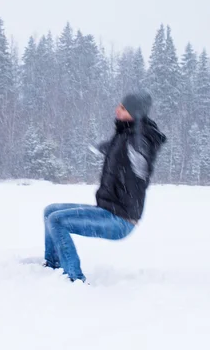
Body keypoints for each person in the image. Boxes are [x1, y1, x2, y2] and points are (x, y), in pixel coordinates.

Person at [43, 92, 166, 282]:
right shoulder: (124, 134)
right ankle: (53, 264)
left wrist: (140, 162)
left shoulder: (138, 140)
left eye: (123, 108)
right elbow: (113, 149)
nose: (117, 109)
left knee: (57, 221)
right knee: (50, 211)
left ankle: (74, 279)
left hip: (120, 219)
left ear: (135, 114)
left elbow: (142, 168)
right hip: (108, 209)